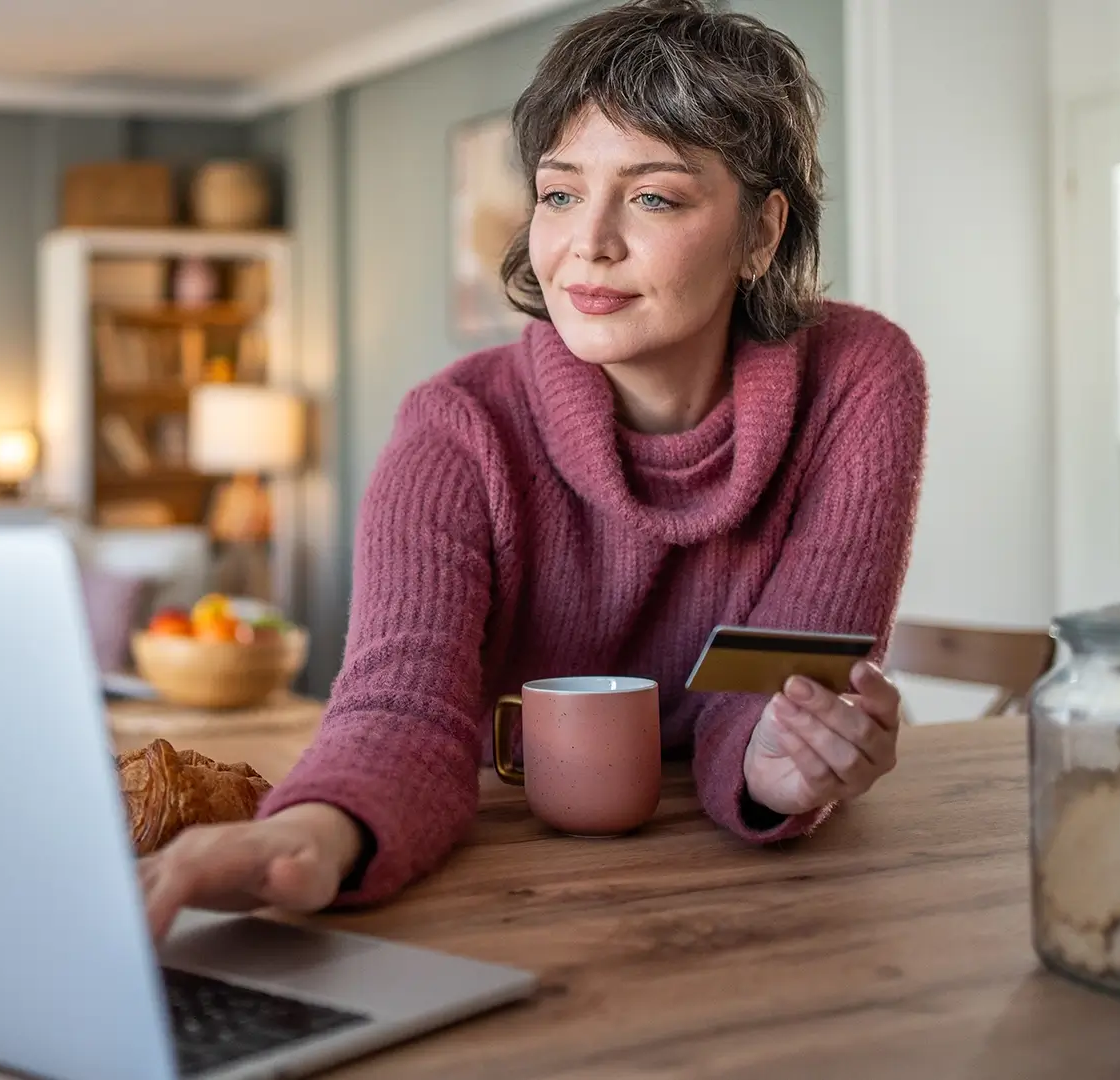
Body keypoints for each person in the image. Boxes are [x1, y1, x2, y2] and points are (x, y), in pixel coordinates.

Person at [141, 0, 927, 939]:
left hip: (754, 907)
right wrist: (316, 832)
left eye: (654, 196)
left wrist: (786, 764)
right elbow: (401, 705)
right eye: (559, 193)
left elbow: (775, 694)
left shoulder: (857, 380)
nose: (587, 243)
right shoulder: (455, 427)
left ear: (761, 233)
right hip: (505, 881)